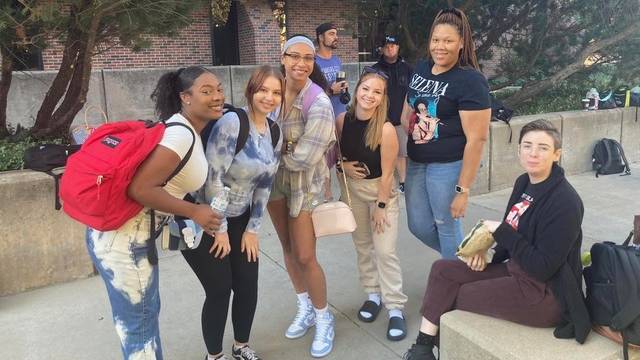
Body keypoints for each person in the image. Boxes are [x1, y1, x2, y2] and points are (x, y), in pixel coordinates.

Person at [403, 119, 590, 360]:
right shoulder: (524, 183)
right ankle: (422, 349)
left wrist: (501, 231)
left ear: (557, 154)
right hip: (515, 271)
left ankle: (425, 353)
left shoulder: (565, 202)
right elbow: (511, 235)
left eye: (543, 148)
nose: (533, 153)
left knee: (454, 294)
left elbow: (544, 267)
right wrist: (486, 254)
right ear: (519, 150)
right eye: (527, 145)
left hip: (545, 294)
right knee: (442, 271)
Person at [85, 66, 224, 360]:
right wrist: (194, 211)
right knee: (140, 331)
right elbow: (141, 189)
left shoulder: (184, 129)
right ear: (185, 97)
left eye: (219, 89)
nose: (217, 97)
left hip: (130, 236)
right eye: (206, 91)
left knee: (143, 318)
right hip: (125, 239)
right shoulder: (181, 135)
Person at [182, 65, 284, 360]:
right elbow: (212, 179)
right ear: (251, 89)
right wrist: (221, 229)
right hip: (208, 218)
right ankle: (214, 356)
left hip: (241, 219)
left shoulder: (273, 130)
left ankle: (241, 347)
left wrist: (253, 229)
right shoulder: (232, 123)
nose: (269, 97)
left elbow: (266, 183)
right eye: (263, 90)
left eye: (276, 92)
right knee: (219, 289)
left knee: (247, 284)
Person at [401, 7, 491, 259]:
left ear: (461, 43)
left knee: (446, 225)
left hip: (448, 164)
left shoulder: (470, 80)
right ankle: (469, 260)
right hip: (417, 161)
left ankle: (455, 285)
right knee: (417, 226)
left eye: (448, 41)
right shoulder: (422, 68)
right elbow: (406, 111)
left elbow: (477, 139)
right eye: (436, 40)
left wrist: (463, 190)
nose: (440, 47)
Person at [267, 34, 337, 358]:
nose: (301, 64)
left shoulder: (319, 102)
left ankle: (324, 317)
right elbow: (254, 129)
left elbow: (305, 158)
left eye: (308, 58)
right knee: (287, 249)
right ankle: (304, 306)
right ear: (283, 57)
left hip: (305, 185)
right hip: (274, 184)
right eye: (294, 56)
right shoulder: (272, 91)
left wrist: (269, 154)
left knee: (306, 256)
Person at [336, 67, 408, 341]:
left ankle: (395, 309)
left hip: (381, 193)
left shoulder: (386, 129)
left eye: (376, 92)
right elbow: (337, 157)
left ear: (382, 98)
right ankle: (373, 295)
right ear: (356, 90)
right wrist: (343, 166)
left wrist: (380, 205)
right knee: (363, 247)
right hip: (354, 192)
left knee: (385, 250)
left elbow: (389, 173)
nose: (369, 95)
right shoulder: (343, 120)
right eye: (365, 89)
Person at [372, 35, 413, 193]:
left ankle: (402, 182)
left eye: (393, 45)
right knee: (381, 154)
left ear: (398, 47)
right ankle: (384, 181)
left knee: (402, 153)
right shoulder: (375, 69)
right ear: (382, 49)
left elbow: (413, 93)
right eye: (387, 46)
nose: (390, 48)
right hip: (381, 120)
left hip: (400, 120)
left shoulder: (407, 69)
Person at [315, 22, 346, 199]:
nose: (336, 37)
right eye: (332, 34)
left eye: (336, 33)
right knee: (326, 154)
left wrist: (343, 88)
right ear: (321, 37)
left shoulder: (336, 60)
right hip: (324, 112)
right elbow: (311, 90)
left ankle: (345, 191)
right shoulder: (313, 61)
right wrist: (330, 90)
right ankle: (327, 193)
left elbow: (337, 85)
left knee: (343, 152)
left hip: (339, 107)